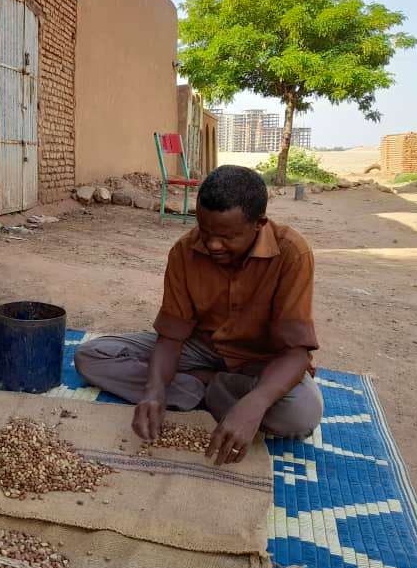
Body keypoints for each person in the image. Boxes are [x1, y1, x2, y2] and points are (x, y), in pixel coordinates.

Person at [75, 164, 323, 465]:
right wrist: (153, 393)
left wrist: (255, 404)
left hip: (260, 362)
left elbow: (296, 353)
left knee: (302, 413)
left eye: (227, 236)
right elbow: (170, 338)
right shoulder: (184, 251)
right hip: (200, 348)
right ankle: (208, 388)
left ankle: (208, 389)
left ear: (259, 224)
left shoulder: (292, 253)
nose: (213, 244)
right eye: (205, 231)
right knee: (91, 356)